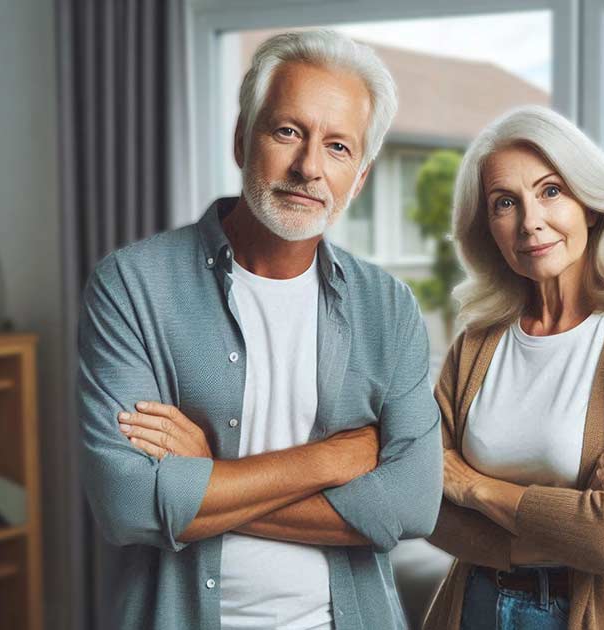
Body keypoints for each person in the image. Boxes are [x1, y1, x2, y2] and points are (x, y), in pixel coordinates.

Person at [76, 31, 442, 629]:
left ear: (361, 177)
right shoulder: (132, 285)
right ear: (242, 139)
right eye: (288, 132)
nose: (308, 168)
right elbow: (128, 505)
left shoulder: (391, 308)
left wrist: (206, 478)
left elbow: (411, 507)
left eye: (339, 147)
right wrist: (327, 461)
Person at [422, 106, 604, 629]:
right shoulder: (476, 342)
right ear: (489, 229)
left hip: (592, 612)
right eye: (506, 203)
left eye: (551, 191)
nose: (531, 222)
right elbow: (423, 506)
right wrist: (572, 510)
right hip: (475, 605)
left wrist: (476, 488)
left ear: (589, 205)